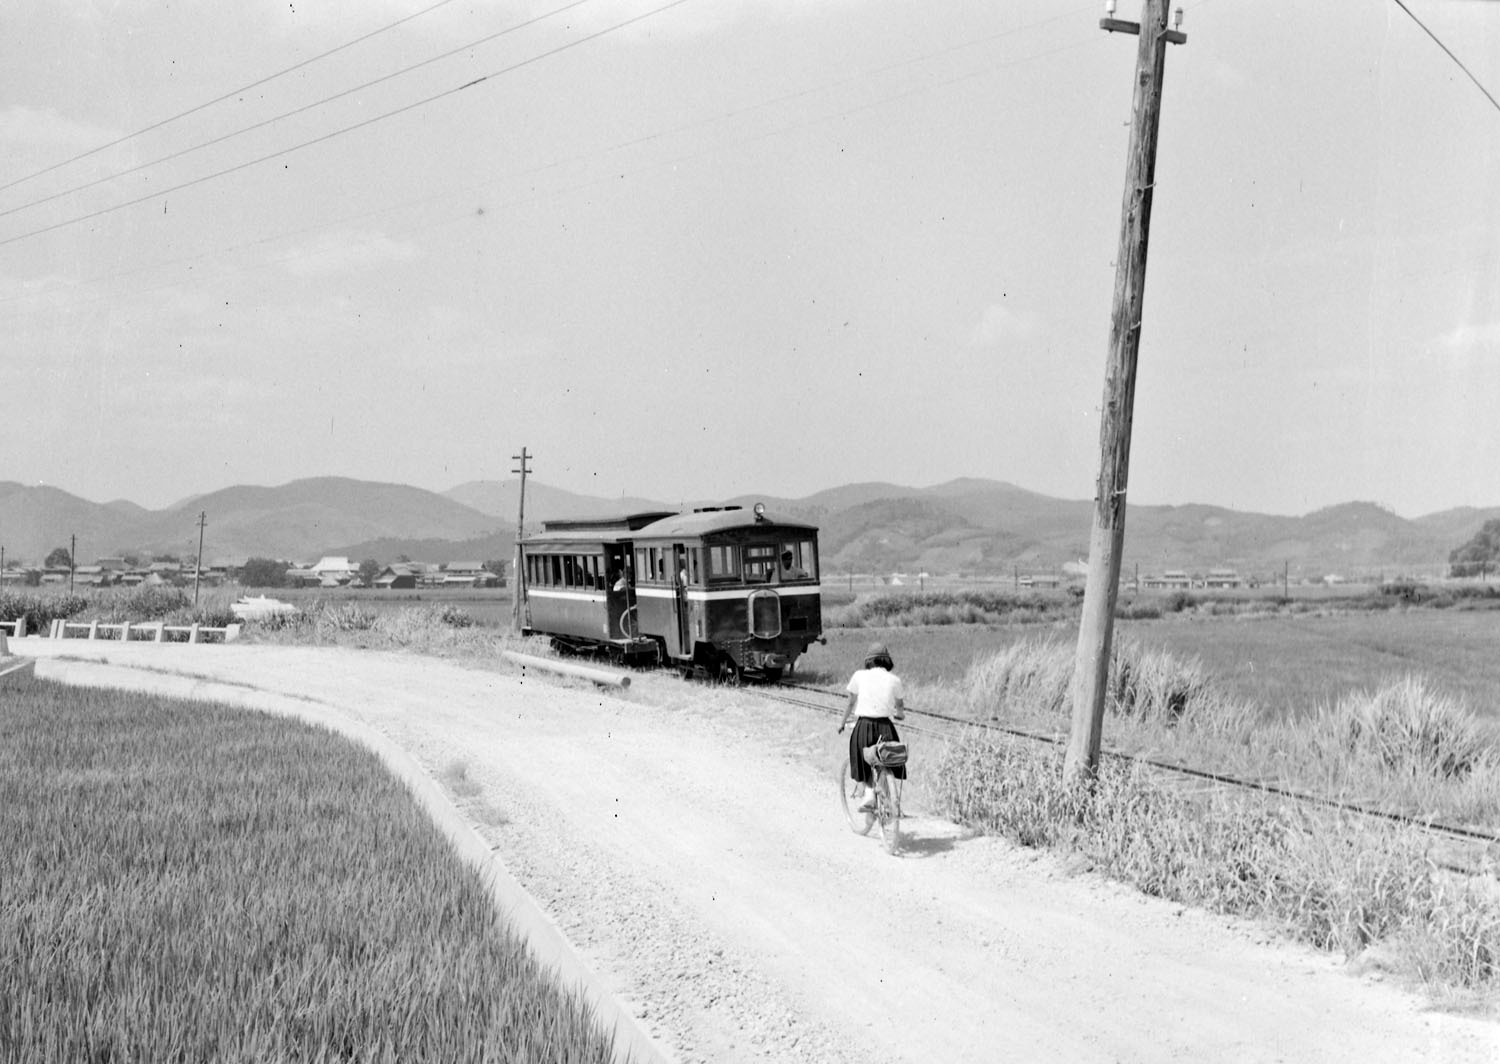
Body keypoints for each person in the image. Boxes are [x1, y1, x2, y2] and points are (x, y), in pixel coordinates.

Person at [838, 641, 906, 811]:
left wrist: (842, 722)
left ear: (869, 660)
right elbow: (900, 708)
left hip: (864, 725)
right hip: (885, 727)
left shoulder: (859, 676)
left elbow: (850, 703)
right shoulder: (895, 680)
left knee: (858, 751)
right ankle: (886, 791)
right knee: (887, 757)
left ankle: (869, 793)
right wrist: (899, 715)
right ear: (887, 661)